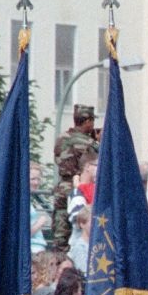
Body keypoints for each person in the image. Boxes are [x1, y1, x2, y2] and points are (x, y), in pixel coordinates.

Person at [52, 104, 98, 250]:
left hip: (61, 187)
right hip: (79, 187)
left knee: (60, 228)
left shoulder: (61, 139)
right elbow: (94, 162)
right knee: (80, 227)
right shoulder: (89, 143)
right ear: (87, 121)